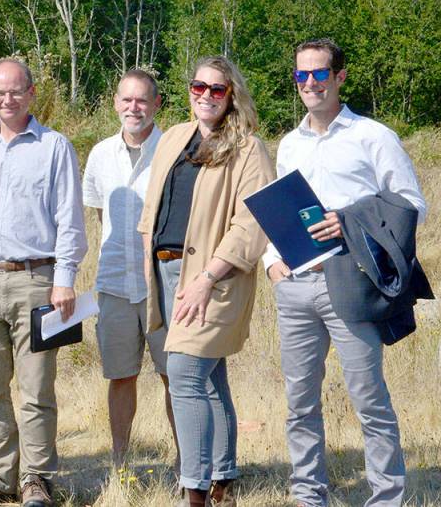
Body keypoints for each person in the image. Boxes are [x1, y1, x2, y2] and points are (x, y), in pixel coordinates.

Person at [264, 39, 426, 507]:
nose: (310, 83)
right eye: (301, 75)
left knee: (368, 399)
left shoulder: (373, 137)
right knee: (300, 403)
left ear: (340, 77)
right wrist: (272, 261)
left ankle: (387, 498)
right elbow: (283, 211)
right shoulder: (290, 143)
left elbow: (412, 205)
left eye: (319, 74)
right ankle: (309, 494)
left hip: (351, 281)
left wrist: (350, 220)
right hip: (295, 284)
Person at [0, 58, 87, 507]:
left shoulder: (54, 147)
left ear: (31, 93)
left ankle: (36, 478)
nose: (6, 99)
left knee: (35, 388)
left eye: (15, 91)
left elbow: (70, 220)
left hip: (37, 281)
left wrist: (64, 280)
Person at [138, 56, 273, 507]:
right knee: (211, 378)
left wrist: (207, 278)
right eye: (200, 87)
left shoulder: (248, 149)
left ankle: (193, 490)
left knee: (185, 375)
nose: (207, 96)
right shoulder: (175, 137)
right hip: (165, 269)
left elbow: (252, 223)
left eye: (217, 89)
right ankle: (224, 478)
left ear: (231, 94)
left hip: (214, 278)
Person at [81, 69, 179, 471]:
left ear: (157, 104)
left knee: (176, 377)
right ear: (115, 103)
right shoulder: (100, 154)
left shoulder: (175, 151)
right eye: (126, 100)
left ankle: (185, 464)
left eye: (142, 100)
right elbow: (102, 213)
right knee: (120, 376)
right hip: (114, 284)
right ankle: (120, 463)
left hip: (164, 285)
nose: (133, 108)